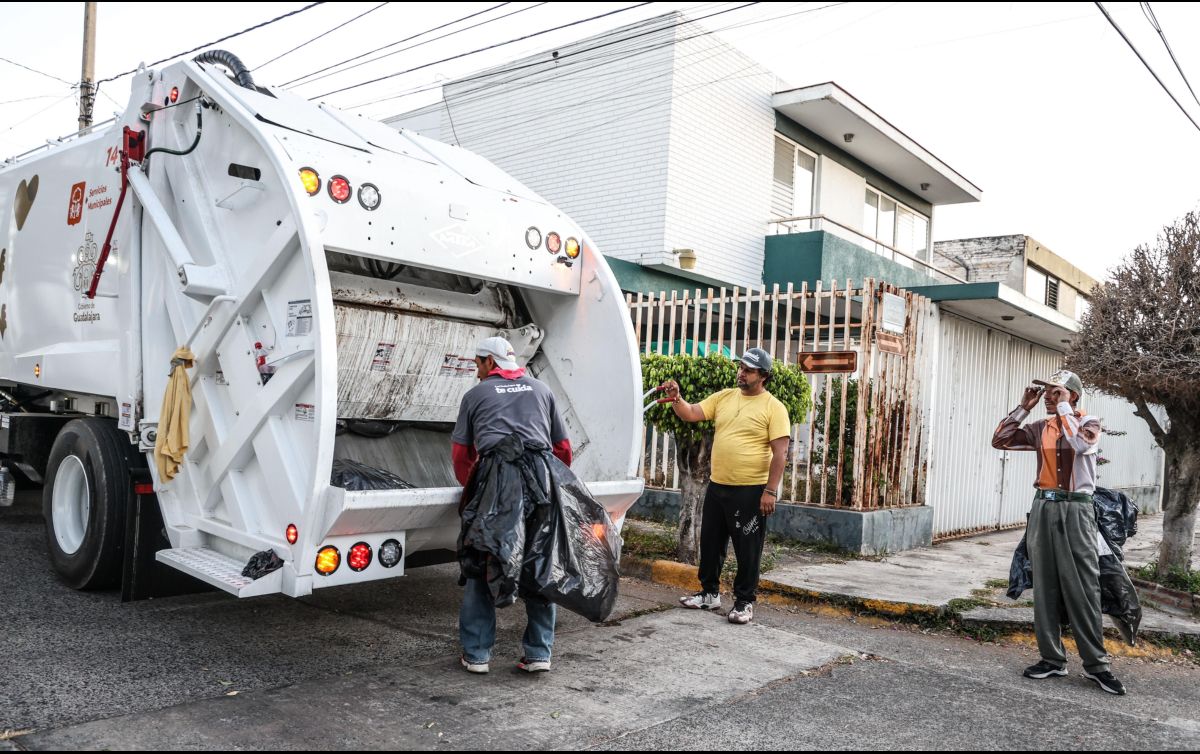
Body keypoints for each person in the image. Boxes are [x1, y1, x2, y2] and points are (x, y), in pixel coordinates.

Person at [992, 369, 1125, 696]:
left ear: (1072, 395)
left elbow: (1081, 445)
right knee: (1045, 585)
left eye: (1056, 392)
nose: (1048, 397)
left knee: (1083, 585)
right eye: (1048, 392)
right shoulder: (1041, 428)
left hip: (1078, 509)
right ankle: (1052, 659)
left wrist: (1065, 408)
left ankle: (1097, 665)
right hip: (1044, 507)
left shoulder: (1089, 423)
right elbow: (1001, 440)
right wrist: (1024, 407)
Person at [451, 336, 572, 675]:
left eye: (477, 364)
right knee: (538, 563)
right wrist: (550, 483)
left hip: (496, 481)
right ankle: (538, 654)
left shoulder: (475, 395)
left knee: (484, 558)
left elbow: (462, 454)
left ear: (489, 362)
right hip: (540, 482)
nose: (477, 372)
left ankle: (477, 654)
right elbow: (562, 448)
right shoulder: (541, 389)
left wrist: (473, 491)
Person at [660, 348, 791, 624]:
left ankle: (744, 602)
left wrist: (770, 491)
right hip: (718, 486)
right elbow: (692, 413)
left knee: (747, 548)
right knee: (710, 542)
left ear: (763, 376)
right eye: (741, 367)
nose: (741, 373)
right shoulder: (725, 397)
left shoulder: (774, 408)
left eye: (748, 370)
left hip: (751, 490)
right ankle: (709, 594)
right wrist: (677, 400)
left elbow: (780, 454)